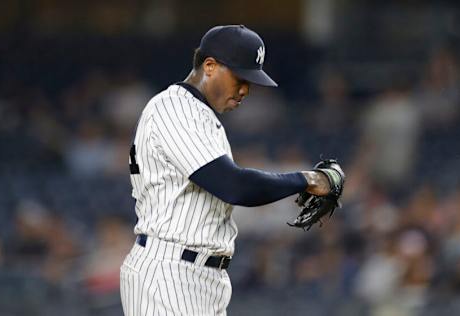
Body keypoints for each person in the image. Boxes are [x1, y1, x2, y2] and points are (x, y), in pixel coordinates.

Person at [120, 24, 344, 315]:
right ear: (210, 66)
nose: (245, 90)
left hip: (199, 277)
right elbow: (233, 185)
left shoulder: (198, 115)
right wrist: (308, 180)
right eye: (240, 78)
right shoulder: (174, 108)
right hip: (169, 274)